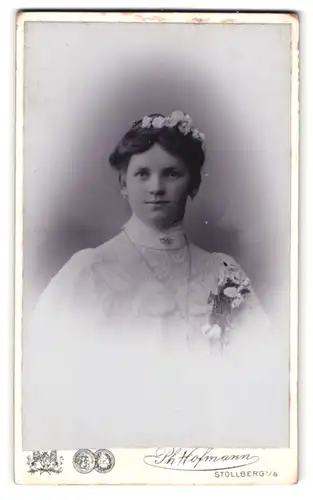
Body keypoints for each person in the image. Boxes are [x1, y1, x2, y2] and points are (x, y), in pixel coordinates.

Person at [23, 110, 289, 451]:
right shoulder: (89, 271)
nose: (157, 188)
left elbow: (264, 370)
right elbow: (47, 378)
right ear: (123, 183)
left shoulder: (224, 272)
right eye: (142, 174)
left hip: (211, 444)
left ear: (193, 183)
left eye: (172, 174)